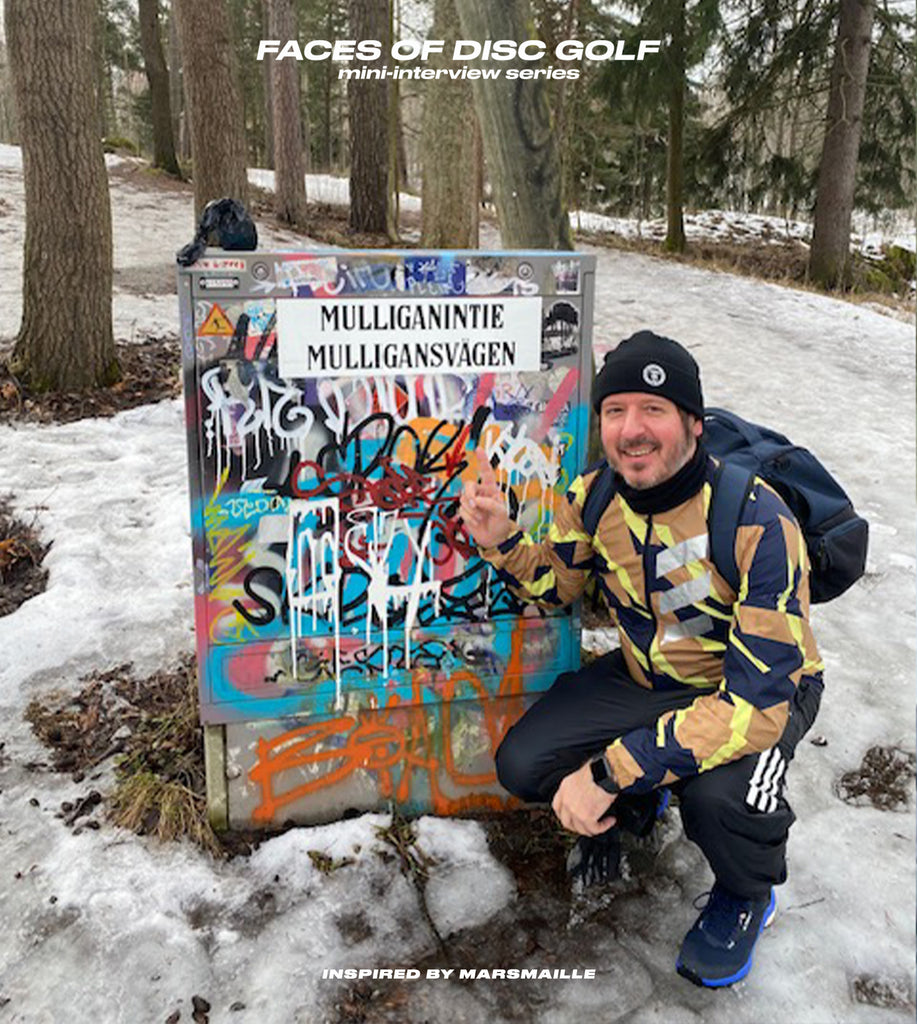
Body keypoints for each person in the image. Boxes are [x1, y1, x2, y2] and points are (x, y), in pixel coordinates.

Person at [459, 330, 824, 989]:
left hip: (759, 694)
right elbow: (560, 587)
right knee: (522, 762)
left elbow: (753, 708)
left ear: (691, 421)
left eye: (653, 410)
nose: (632, 429)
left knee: (718, 798)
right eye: (615, 411)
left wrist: (607, 770)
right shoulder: (594, 494)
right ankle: (633, 809)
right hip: (647, 676)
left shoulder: (755, 520)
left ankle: (747, 891)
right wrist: (504, 542)